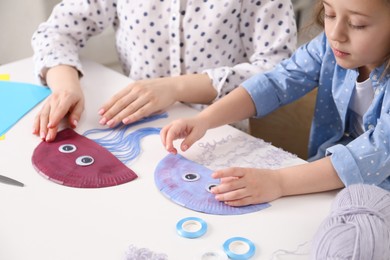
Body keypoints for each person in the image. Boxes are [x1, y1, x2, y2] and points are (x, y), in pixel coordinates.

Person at [161, 0, 390, 206]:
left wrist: (279, 182)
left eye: (358, 24)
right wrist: (205, 120)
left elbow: (376, 151)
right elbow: (275, 83)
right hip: (326, 186)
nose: (335, 33)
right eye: (329, 14)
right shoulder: (328, 47)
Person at [31, 0, 297, 142]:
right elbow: (56, 31)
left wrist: (176, 87)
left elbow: (279, 71)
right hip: (131, 132)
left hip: (219, 135)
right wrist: (66, 86)